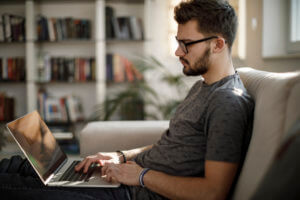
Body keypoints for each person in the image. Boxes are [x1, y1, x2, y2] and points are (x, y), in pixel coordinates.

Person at [0, 0, 254, 199]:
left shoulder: (227, 102)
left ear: (218, 44)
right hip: (119, 179)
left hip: (126, 193)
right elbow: (171, 145)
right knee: (16, 165)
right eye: (178, 42)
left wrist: (142, 176)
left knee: (11, 185)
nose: (178, 52)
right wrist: (121, 156)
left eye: (186, 44)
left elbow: (213, 193)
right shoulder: (202, 87)